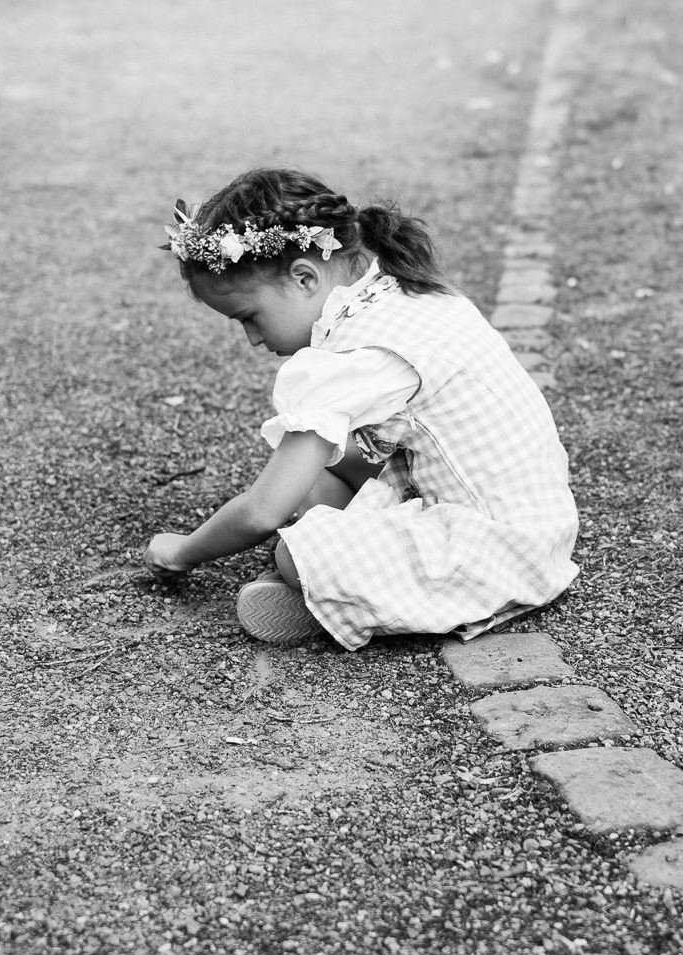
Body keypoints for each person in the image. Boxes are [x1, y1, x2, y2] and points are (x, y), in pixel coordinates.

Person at [143, 167, 578, 649]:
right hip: (535, 513)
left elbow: (262, 512)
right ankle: (343, 586)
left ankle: (341, 600)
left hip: (501, 545)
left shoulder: (361, 357)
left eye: (250, 317)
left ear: (304, 277)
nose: (251, 338)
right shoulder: (396, 291)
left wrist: (182, 551)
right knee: (312, 481)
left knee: (295, 549)